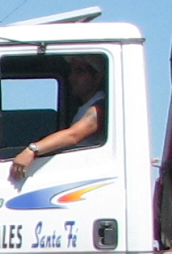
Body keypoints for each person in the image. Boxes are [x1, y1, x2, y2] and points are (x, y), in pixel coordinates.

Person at [9, 54, 108, 185]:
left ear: (97, 77)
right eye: (72, 72)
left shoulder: (99, 107)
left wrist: (31, 151)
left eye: (80, 72)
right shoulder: (85, 106)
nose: (71, 78)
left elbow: (73, 135)